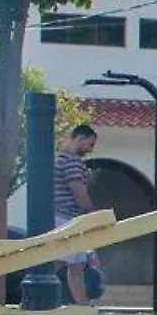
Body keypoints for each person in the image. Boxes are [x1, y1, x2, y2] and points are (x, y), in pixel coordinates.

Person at [53, 123, 100, 305]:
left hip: (64, 218)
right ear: (79, 139)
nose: (90, 150)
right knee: (65, 263)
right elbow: (79, 193)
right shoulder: (72, 162)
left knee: (75, 265)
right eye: (89, 145)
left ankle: (83, 306)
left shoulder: (59, 160)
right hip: (65, 219)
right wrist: (93, 216)